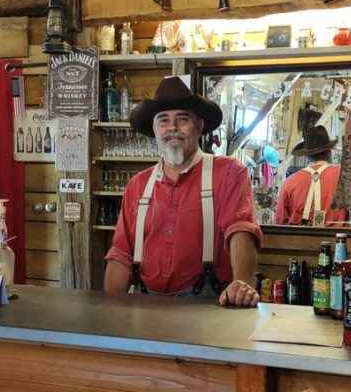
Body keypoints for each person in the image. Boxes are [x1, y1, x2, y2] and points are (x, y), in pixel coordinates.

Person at [104, 76, 263, 307]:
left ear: (199, 126)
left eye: (182, 119)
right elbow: (121, 253)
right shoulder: (138, 184)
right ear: (154, 129)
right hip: (145, 303)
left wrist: (241, 284)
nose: (173, 128)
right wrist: (109, 308)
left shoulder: (228, 172)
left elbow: (240, 230)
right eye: (163, 120)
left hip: (208, 306)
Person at [275, 125, 348, 226]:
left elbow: (280, 222)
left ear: (306, 155)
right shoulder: (344, 176)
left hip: (297, 239)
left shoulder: (289, 182)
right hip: (336, 239)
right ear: (329, 152)